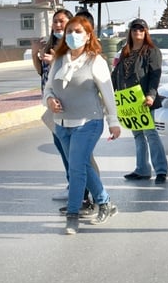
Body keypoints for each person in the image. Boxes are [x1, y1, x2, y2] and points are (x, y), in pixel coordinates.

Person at [42, 15, 121, 235]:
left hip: (88, 122)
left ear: (88, 36)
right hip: (61, 124)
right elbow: (48, 89)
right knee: (82, 164)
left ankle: (73, 215)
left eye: (78, 32)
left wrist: (113, 122)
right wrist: (49, 100)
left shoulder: (95, 61)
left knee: (76, 168)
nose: (72, 35)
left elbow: (108, 94)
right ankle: (105, 203)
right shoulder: (58, 60)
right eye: (69, 31)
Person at [113, 18, 168, 184]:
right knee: (137, 134)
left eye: (141, 29)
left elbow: (155, 75)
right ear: (130, 32)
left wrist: (151, 95)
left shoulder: (152, 51)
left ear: (146, 32)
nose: (138, 32)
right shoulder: (125, 51)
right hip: (128, 100)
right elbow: (117, 73)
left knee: (150, 133)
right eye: (135, 29)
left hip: (144, 99)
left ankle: (161, 170)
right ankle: (142, 170)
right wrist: (109, 92)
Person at [32, 8, 74, 200]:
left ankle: (80, 186)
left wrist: (55, 59)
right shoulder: (50, 44)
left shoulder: (73, 44)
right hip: (52, 103)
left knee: (72, 147)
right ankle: (71, 182)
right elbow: (42, 72)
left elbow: (76, 68)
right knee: (60, 144)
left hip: (70, 102)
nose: (58, 25)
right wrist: (35, 54)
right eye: (55, 21)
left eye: (62, 21)